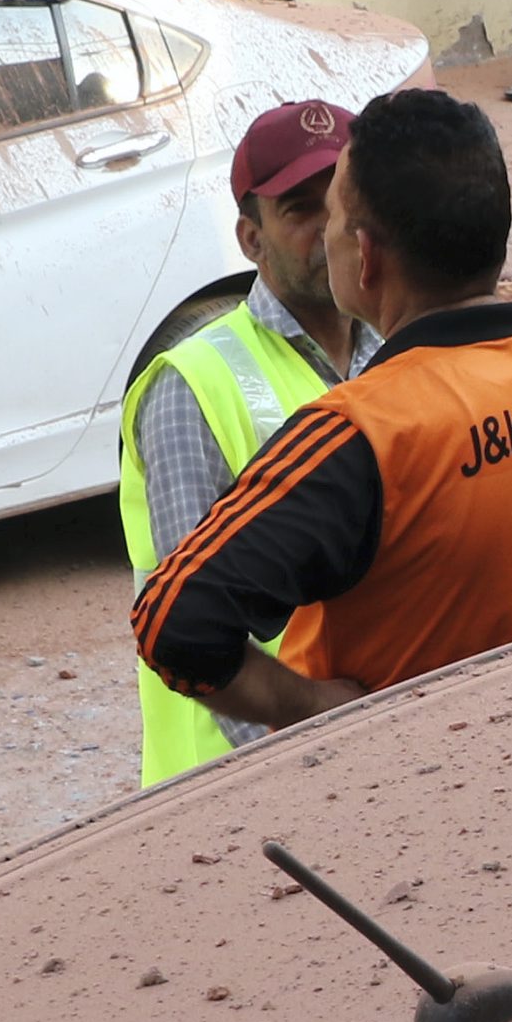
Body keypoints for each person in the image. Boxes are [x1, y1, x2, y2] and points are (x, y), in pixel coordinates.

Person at [131, 90, 512, 726]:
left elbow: (174, 621)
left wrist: (314, 706)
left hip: (403, 781)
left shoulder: (360, 432)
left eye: (333, 212)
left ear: (367, 255)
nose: (323, 232)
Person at [121, 101, 377, 783]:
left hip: (371, 756)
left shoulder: (395, 353)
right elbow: (189, 627)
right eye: (300, 210)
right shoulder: (191, 385)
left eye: (344, 201)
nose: (333, 228)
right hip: (241, 783)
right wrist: (299, 761)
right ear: (251, 239)